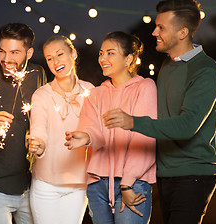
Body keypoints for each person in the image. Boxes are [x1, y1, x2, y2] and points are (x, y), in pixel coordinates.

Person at [102, 0, 216, 224]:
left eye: (161, 27)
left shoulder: (205, 70)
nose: (154, 32)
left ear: (182, 33)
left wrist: (132, 121)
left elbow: (187, 126)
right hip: (165, 174)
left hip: (193, 174)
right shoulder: (167, 66)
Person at [65, 31, 157, 224]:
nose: (103, 58)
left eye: (110, 53)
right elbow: (92, 130)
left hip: (133, 183)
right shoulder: (96, 94)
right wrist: (86, 137)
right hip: (98, 184)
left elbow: (145, 138)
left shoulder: (145, 87)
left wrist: (127, 184)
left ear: (128, 59)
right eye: (101, 53)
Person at [0, 22, 47, 224]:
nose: (6, 59)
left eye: (14, 52)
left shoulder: (38, 75)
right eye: (2, 51)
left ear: (29, 52)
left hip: (31, 184)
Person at [28, 35, 93, 224]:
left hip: (79, 184)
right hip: (46, 184)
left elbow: (97, 134)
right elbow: (38, 127)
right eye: (49, 58)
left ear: (73, 53)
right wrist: (39, 145)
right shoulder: (42, 95)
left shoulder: (90, 91)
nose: (55, 62)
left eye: (59, 54)